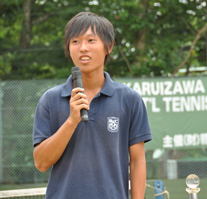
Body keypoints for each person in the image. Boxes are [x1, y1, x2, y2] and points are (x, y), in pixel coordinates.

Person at [33, 12, 152, 199]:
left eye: (91, 40)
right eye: (75, 42)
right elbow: (41, 163)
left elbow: (137, 161)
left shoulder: (130, 99)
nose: (83, 48)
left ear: (109, 47)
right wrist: (72, 121)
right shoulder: (50, 100)